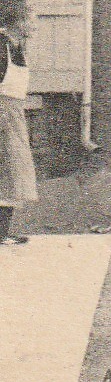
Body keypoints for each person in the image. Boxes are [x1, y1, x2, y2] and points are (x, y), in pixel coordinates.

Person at [0, 14, 34, 246]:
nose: (34, 26)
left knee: (13, 171)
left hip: (14, 113)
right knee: (6, 169)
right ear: (19, 23)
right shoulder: (2, 47)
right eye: (31, 20)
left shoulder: (17, 48)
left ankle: (3, 232)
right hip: (3, 113)